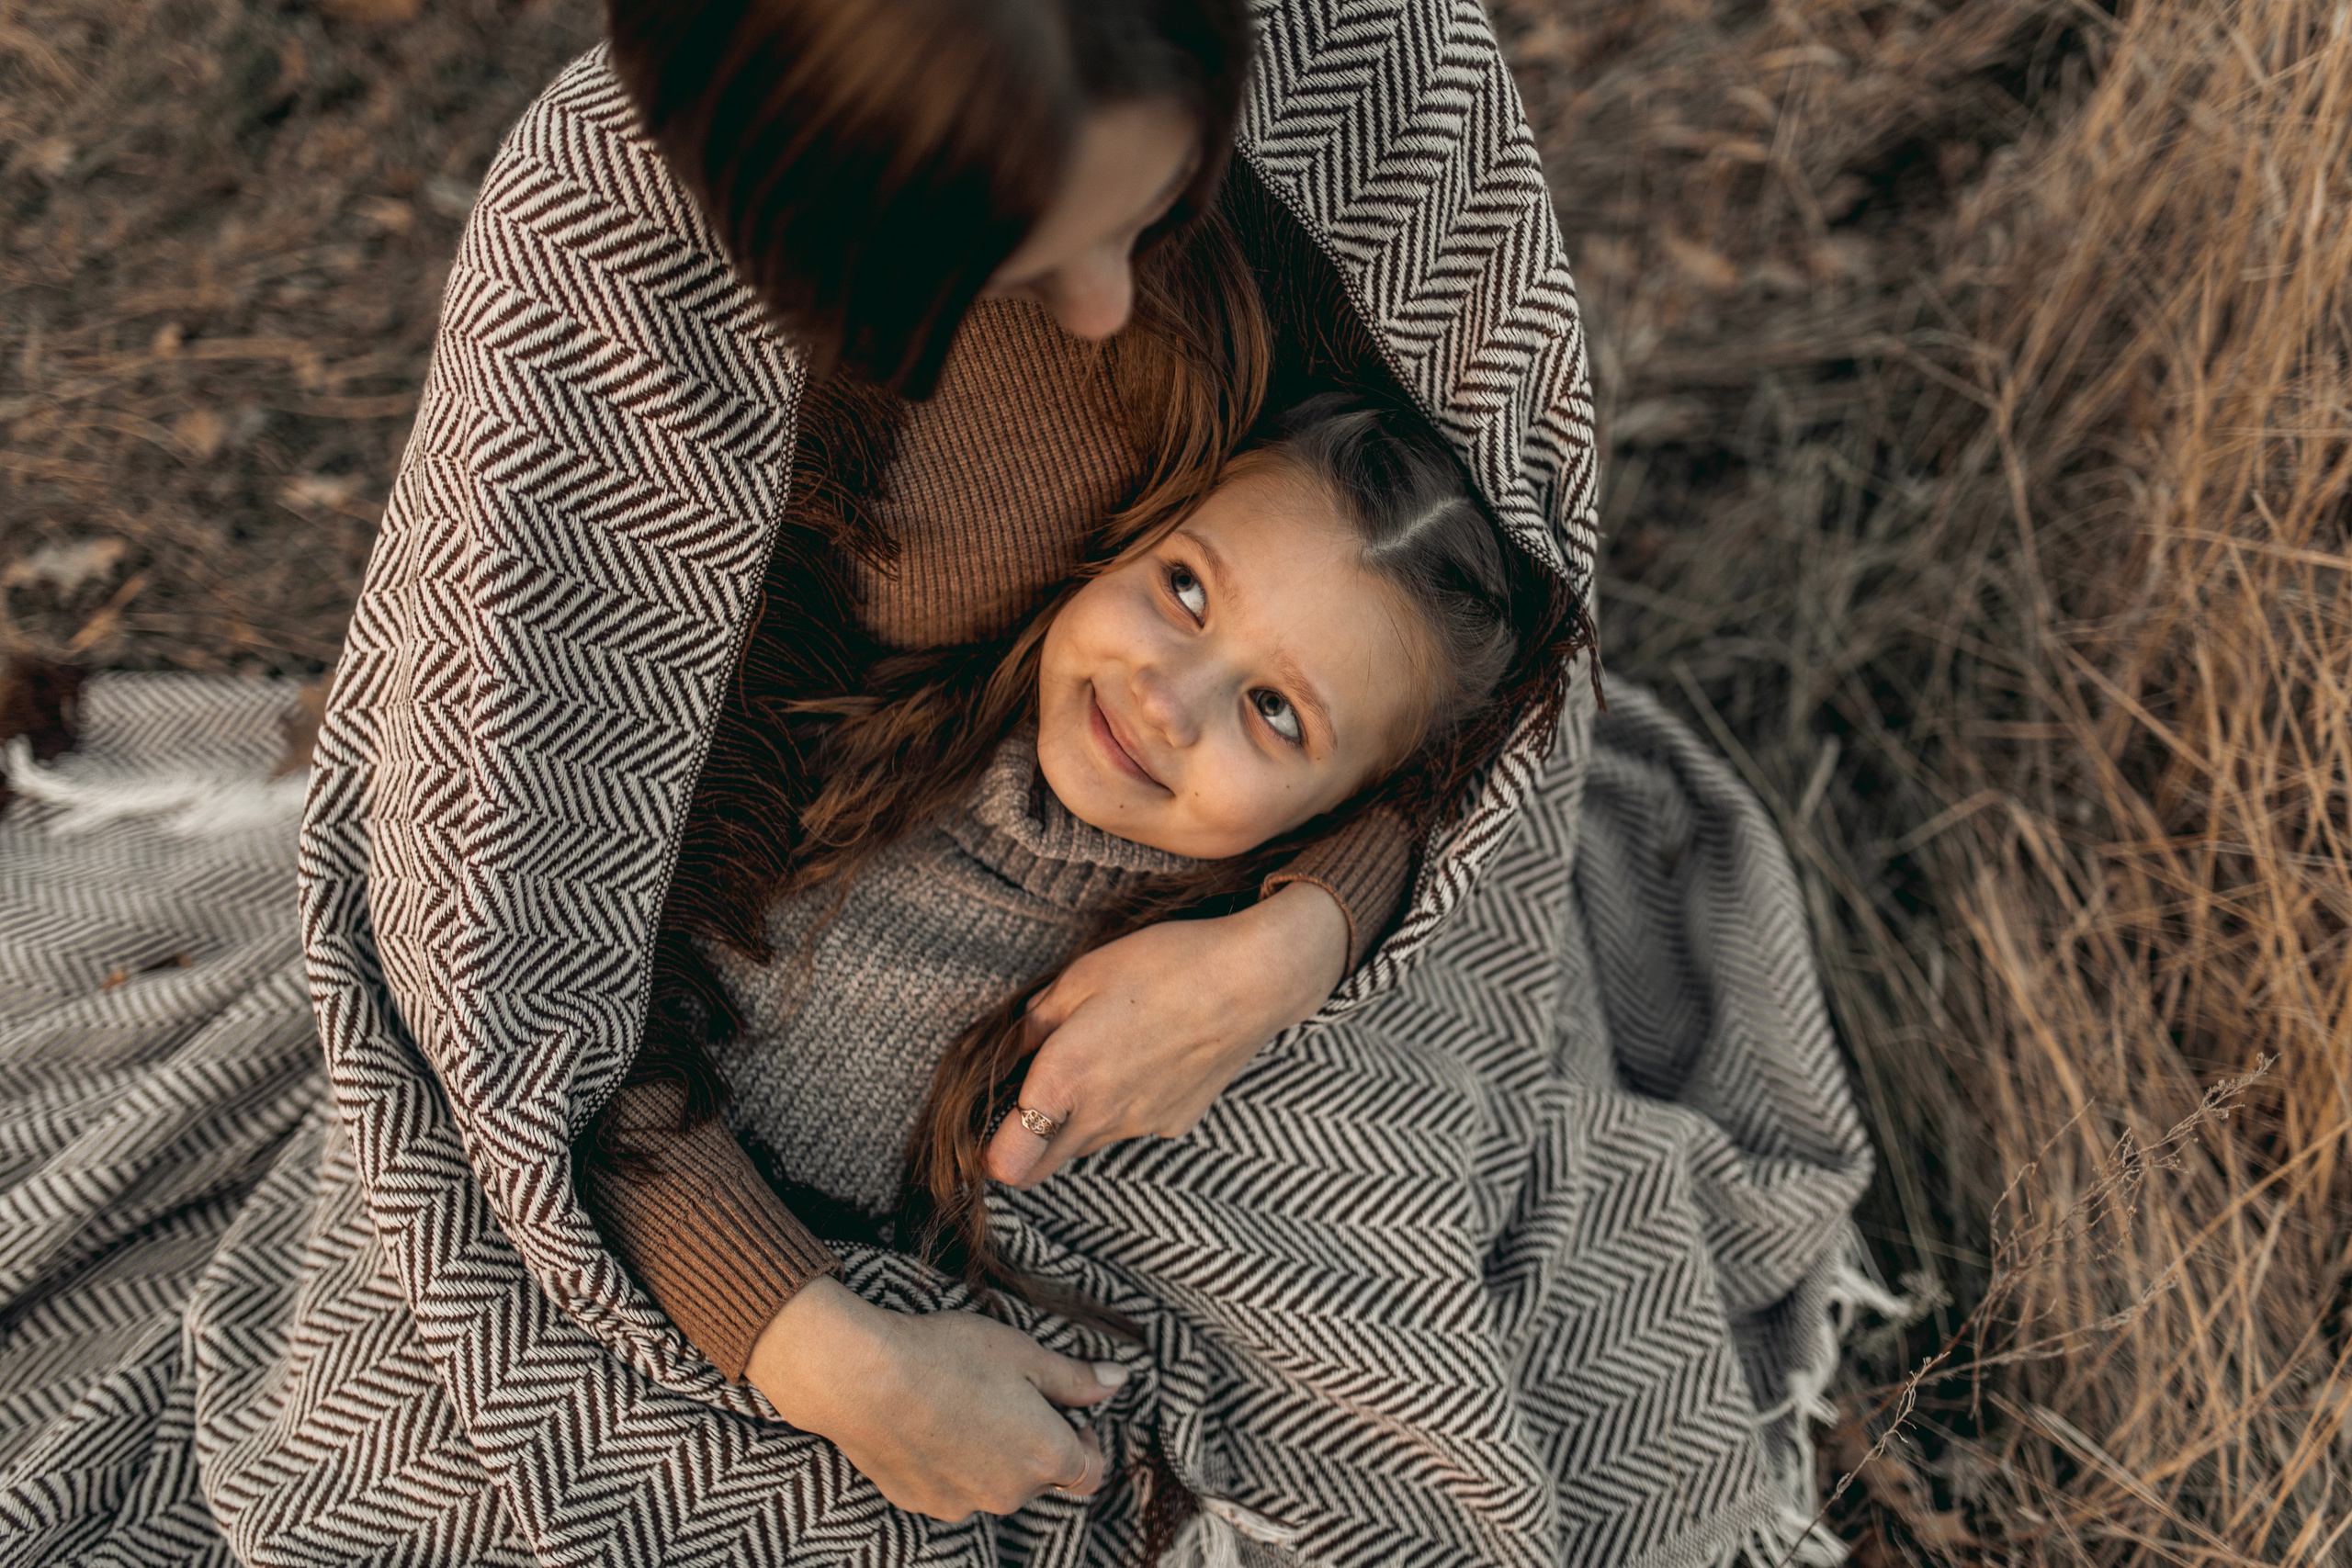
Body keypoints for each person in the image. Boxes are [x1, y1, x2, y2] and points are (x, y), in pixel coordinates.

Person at [0, 0, 1879, 1561]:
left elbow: (1486, 632)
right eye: (1017, 257)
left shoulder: (1363, 60)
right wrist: (814, 1346)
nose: (1098, 313)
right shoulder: (602, 295)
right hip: (745, 1007)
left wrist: (1297, 937)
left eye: (1161, 213)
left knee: (1377, 1340)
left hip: (1201, 914)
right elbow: (522, 993)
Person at [589, 392, 1565, 1522]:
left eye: (1274, 711)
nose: (1164, 698)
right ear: (1129, 533)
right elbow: (575, 1044)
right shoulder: (828, 727)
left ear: (1350, 802)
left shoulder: (1201, 954)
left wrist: (1308, 921)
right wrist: (792, 1324)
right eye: (1184, 589)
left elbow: (1462, 800)